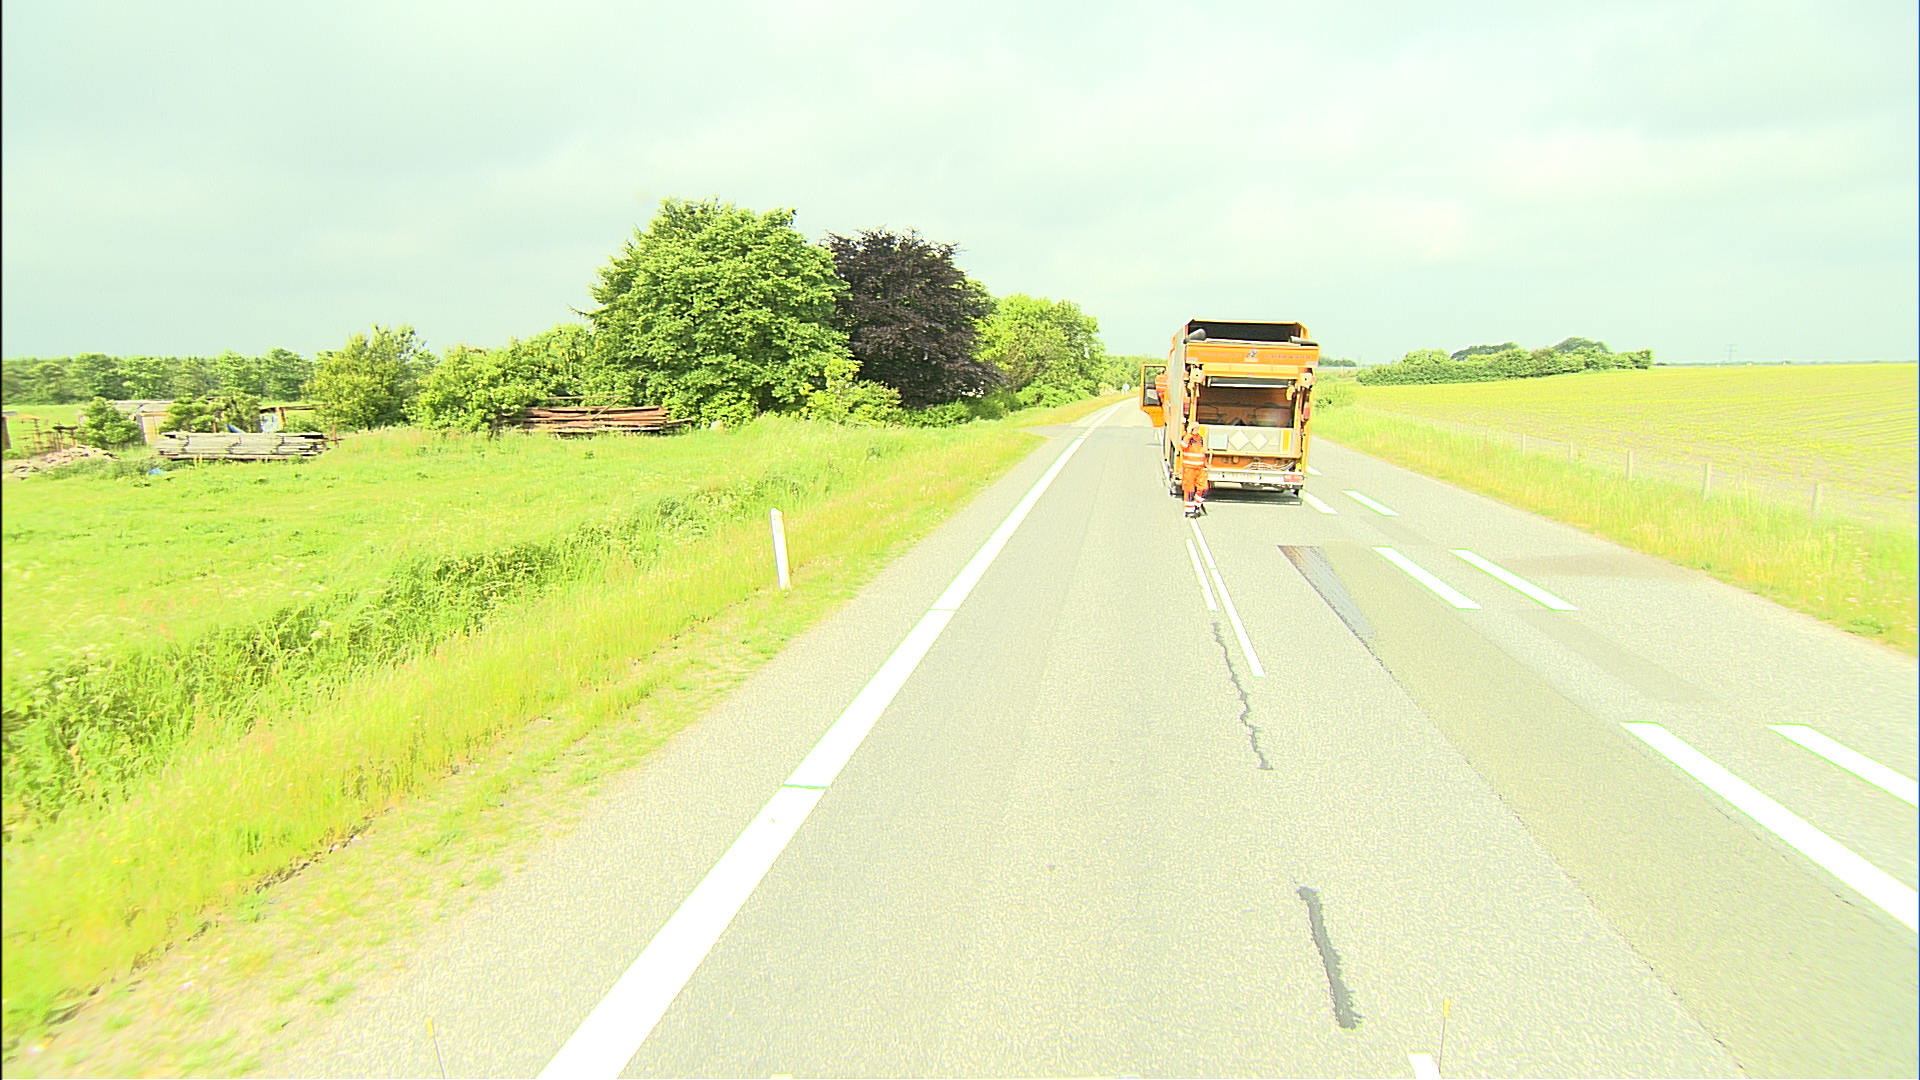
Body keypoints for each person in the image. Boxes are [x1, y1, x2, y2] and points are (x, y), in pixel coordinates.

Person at [1179, 424, 1209, 517]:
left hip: (1200, 469)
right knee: (1189, 490)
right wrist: (1189, 434)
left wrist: (1206, 464)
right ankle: (1189, 511)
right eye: (1195, 428)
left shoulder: (1200, 438)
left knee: (1204, 488)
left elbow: (1202, 452)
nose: (1197, 430)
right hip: (1189, 469)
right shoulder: (1186, 437)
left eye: (1197, 428)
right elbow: (1183, 446)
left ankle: (1196, 505)